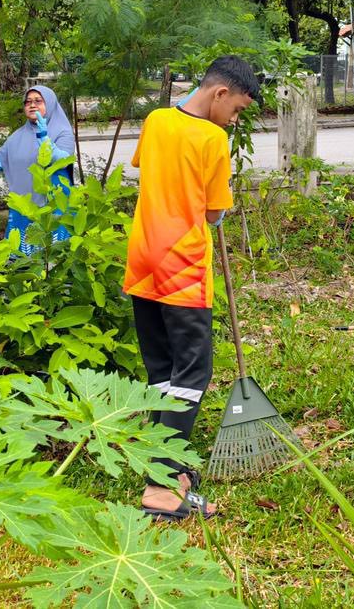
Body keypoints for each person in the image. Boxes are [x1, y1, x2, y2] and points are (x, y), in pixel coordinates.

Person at [124, 55, 260, 521]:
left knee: (161, 369)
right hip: (183, 268)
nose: (235, 118)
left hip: (143, 260)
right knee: (191, 374)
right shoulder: (213, 139)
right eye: (238, 109)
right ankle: (161, 487)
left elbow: (148, 172)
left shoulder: (157, 120)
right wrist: (212, 209)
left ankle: (172, 466)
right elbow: (213, 212)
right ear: (220, 94)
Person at [0, 86, 74, 254]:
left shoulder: (62, 132)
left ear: (50, 104)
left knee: (53, 264)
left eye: (38, 101)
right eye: (28, 102)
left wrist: (44, 138)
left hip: (53, 212)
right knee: (21, 264)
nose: (32, 105)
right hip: (23, 211)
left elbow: (63, 161)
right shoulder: (16, 137)